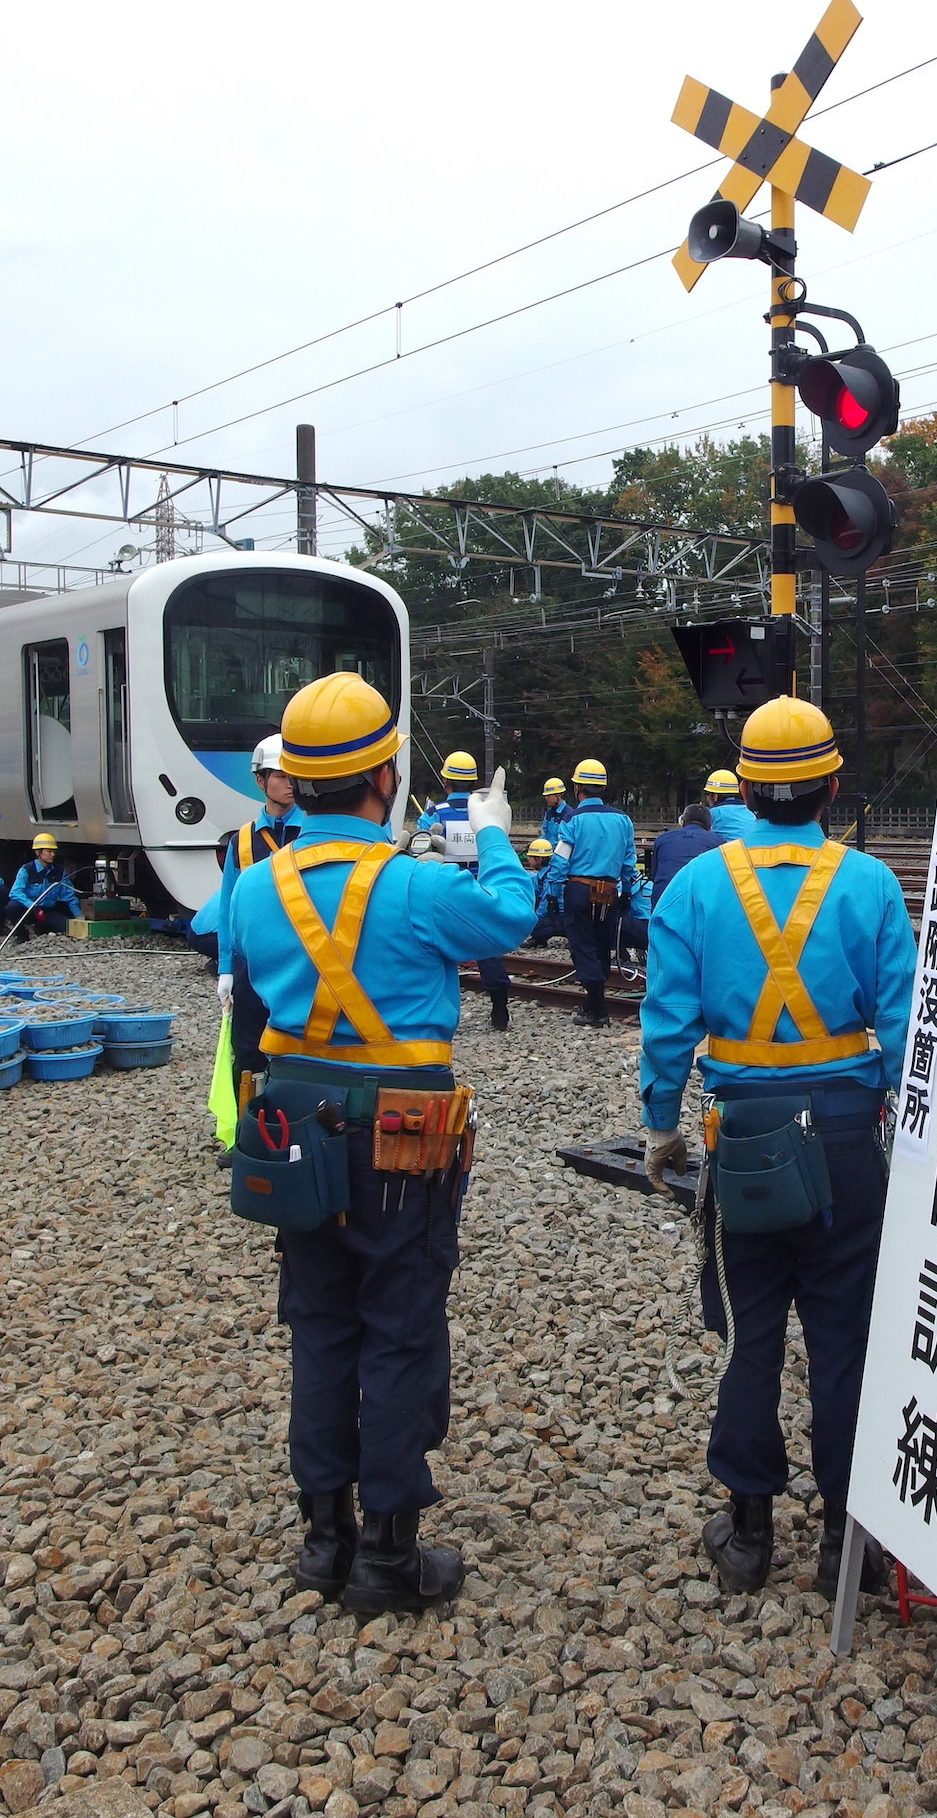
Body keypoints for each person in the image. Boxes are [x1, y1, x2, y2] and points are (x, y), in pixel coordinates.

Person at [230, 672, 535, 1615]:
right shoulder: (415, 886)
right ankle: (392, 1559)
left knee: (319, 1326)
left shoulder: (252, 886)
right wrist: (490, 830)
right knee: (398, 1330)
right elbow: (515, 917)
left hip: (291, 1126)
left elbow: (229, 952)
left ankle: (326, 1540)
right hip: (400, 1133)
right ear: (385, 775)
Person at [639, 697, 916, 1598]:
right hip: (844, 1138)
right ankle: (849, 1540)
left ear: (746, 790)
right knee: (846, 1341)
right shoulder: (871, 884)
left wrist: (660, 1122)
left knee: (752, 1333)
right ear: (835, 784)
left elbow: (668, 1022)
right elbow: (908, 1026)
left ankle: (750, 1533)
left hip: (747, 1139)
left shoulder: (694, 887)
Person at [217, 736, 305, 1097]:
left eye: (294, 776)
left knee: (299, 1051)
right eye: (281, 775)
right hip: (251, 964)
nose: (290, 784)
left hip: (303, 957)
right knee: (249, 1053)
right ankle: (247, 1134)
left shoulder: (313, 831)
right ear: (260, 780)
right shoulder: (242, 840)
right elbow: (228, 906)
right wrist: (225, 966)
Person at [419, 752, 511, 1032]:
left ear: (445, 780)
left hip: (444, 884)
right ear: (472, 783)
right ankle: (500, 1010)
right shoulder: (482, 810)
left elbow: (422, 847)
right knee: (487, 947)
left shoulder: (436, 812)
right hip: (480, 883)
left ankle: (436, 1013)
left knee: (433, 948)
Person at [547, 757, 637, 1029]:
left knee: (581, 945)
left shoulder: (573, 820)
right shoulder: (623, 820)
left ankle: (596, 1005)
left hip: (579, 889)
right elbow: (629, 860)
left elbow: (561, 858)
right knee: (601, 946)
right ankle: (593, 1001)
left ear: (577, 789)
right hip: (610, 891)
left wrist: (552, 890)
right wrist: (627, 891)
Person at [4, 834, 81, 941]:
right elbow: (15, 892)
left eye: (54, 851)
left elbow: (68, 896)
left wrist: (78, 915)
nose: (52, 854)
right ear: (38, 852)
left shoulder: (59, 871)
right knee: (12, 907)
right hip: (29, 910)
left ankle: (42, 929)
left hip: (47, 911)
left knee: (65, 926)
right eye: (49, 851)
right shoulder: (26, 870)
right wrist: (33, 906)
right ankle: (22, 936)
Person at [651, 803, 724, 910]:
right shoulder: (718, 841)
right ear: (709, 828)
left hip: (662, 901)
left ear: (682, 822)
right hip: (701, 903)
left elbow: (655, 874)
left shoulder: (662, 839)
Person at [525, 837, 565, 946]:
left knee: (534, 926)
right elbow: (533, 882)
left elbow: (545, 902)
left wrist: (534, 919)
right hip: (562, 914)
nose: (527, 859)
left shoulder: (549, 877)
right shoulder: (549, 872)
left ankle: (540, 937)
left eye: (530, 857)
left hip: (560, 915)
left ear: (538, 859)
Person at [703, 769, 759, 843]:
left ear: (715, 796)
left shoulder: (713, 813)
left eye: (707, 794)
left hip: (729, 852)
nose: (706, 798)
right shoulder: (750, 810)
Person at [540, 778, 572, 847]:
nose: (546, 798)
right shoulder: (549, 813)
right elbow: (544, 833)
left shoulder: (568, 814)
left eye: (549, 796)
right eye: (545, 796)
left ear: (559, 795)